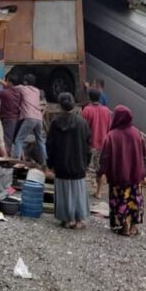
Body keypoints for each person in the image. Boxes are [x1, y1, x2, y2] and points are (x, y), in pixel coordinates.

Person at [99, 105, 146, 237]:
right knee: (134, 200)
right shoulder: (138, 133)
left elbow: (105, 157)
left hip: (118, 176)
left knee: (120, 200)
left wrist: (101, 172)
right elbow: (145, 151)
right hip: (135, 175)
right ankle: (133, 227)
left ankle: (124, 227)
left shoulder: (111, 136)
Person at [47, 93, 92, 229]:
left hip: (61, 164)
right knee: (78, 192)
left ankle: (66, 219)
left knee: (63, 191)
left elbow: (50, 144)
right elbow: (87, 146)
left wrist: (51, 163)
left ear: (60, 105)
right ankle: (78, 220)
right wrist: (86, 163)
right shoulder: (82, 123)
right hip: (78, 164)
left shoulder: (55, 123)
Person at [82, 88, 113, 198]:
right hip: (103, 144)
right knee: (99, 169)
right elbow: (110, 129)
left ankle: (82, 191)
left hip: (90, 144)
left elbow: (83, 128)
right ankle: (99, 192)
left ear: (89, 98)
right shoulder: (107, 111)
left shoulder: (87, 110)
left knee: (85, 168)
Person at [12, 74, 48, 165]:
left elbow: (10, 87)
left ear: (25, 82)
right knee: (40, 140)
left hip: (29, 117)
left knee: (19, 139)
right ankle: (44, 162)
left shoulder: (23, 88)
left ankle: (16, 161)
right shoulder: (37, 91)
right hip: (39, 118)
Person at [0, 74, 22, 154]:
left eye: (7, 81)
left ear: (10, 82)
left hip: (8, 118)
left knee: (7, 139)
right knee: (15, 139)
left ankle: (5, 159)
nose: (6, 82)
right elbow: (7, 86)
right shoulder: (19, 91)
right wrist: (0, 80)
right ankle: (19, 156)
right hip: (17, 118)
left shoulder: (5, 93)